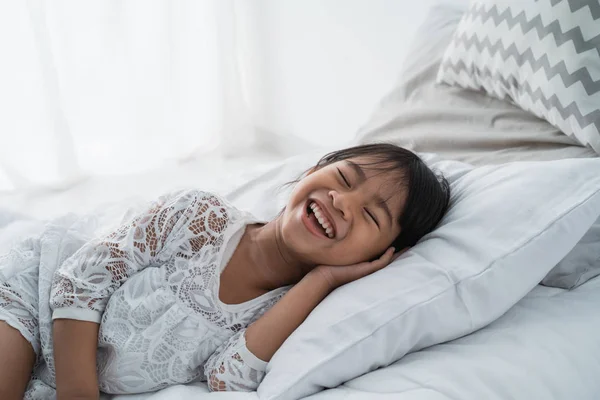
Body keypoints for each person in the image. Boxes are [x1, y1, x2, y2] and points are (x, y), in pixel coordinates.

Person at [0, 143, 450, 399]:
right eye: (345, 179)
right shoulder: (198, 216)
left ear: (383, 255)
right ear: (314, 169)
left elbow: (225, 377)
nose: (343, 202)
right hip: (33, 301)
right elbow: (82, 280)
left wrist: (322, 280)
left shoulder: (291, 313)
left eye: (372, 217)